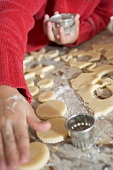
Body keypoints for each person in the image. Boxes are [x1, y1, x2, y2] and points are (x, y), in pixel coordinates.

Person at [0, 0, 113, 169]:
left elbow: (103, 14)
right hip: (12, 46)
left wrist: (78, 33)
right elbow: (12, 13)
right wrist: (6, 86)